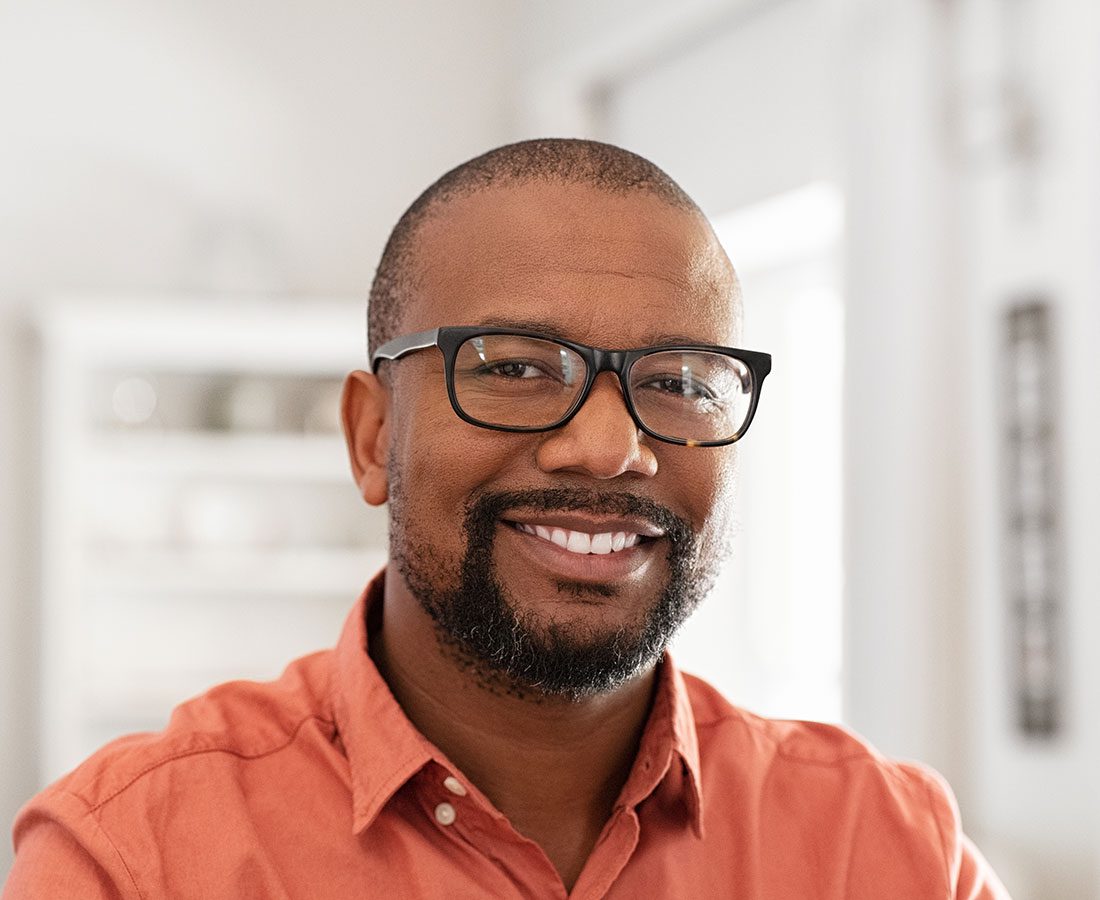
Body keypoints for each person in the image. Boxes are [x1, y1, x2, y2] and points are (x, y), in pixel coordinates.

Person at [5, 139, 1009, 898]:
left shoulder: (878, 849)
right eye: (518, 369)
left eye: (676, 381)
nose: (608, 447)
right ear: (369, 439)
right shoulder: (136, 858)